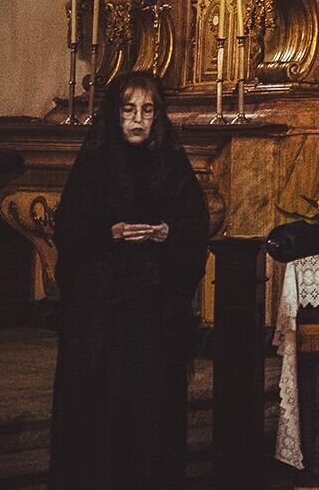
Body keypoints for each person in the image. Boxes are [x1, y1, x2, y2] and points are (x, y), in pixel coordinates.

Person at [49, 72, 210, 490]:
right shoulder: (96, 164)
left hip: (153, 310)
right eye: (129, 110)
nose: (138, 119)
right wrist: (112, 233)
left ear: (158, 116)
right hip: (102, 314)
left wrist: (169, 233)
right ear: (115, 114)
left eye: (147, 110)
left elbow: (195, 224)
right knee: (104, 405)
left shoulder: (171, 164)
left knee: (148, 405)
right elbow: (69, 231)